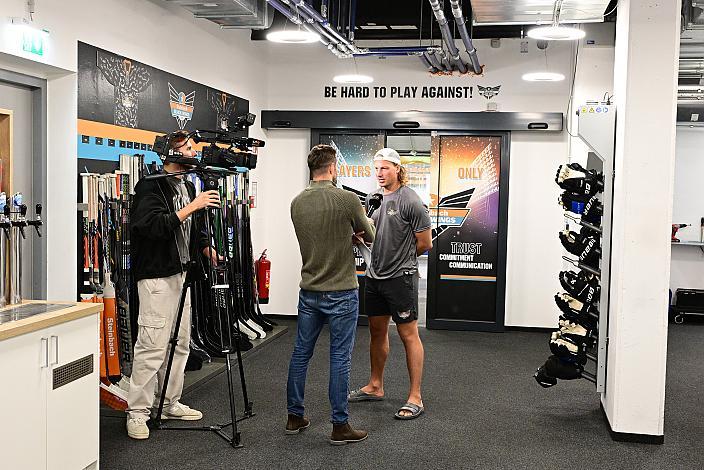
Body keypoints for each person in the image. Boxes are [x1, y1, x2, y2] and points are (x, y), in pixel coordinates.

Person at [126, 131, 221, 439]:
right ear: (172, 153)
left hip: (182, 275)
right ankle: (137, 412)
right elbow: (152, 227)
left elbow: (193, 230)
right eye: (188, 148)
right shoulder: (149, 187)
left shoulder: (187, 185)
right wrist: (192, 207)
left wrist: (207, 248)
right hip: (156, 279)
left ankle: (168, 402)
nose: (194, 152)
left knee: (180, 344)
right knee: (152, 346)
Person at [287, 144, 376, 445]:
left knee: (301, 353)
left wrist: (344, 235)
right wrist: (360, 227)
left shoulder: (297, 202)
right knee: (340, 357)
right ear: (332, 167)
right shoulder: (347, 199)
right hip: (340, 291)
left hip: (309, 291)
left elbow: (318, 237)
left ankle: (294, 416)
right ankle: (340, 426)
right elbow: (372, 236)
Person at [349, 148, 432, 420]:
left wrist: (402, 261)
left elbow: (425, 243)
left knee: (409, 335)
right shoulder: (375, 199)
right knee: (376, 332)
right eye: (376, 168)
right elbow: (373, 233)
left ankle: (415, 396)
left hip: (401, 278)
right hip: (375, 277)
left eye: (385, 168)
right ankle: (375, 385)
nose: (379, 173)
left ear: (397, 169)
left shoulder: (410, 200)